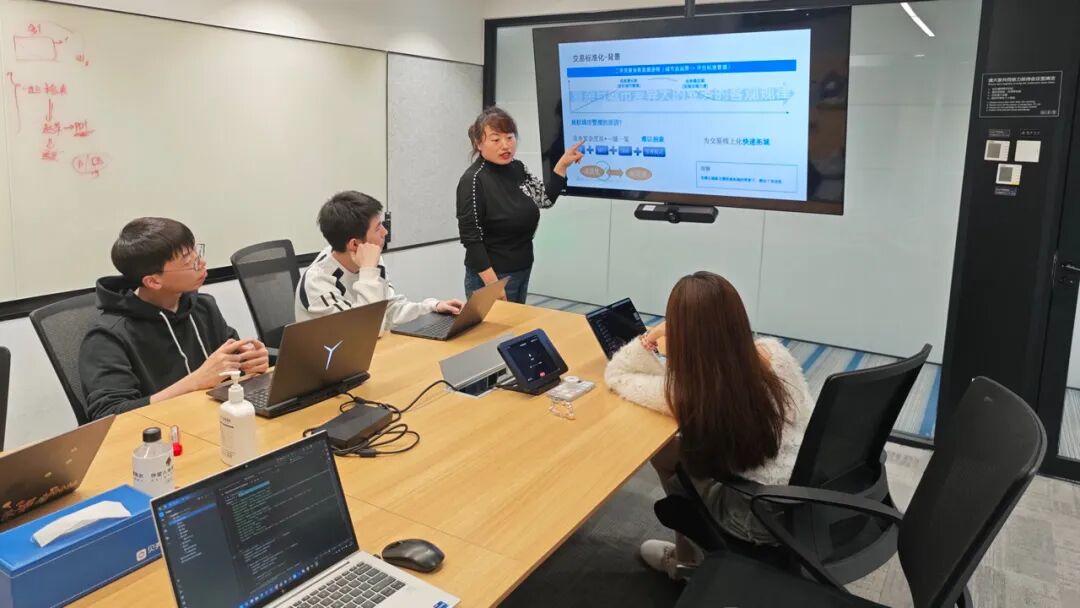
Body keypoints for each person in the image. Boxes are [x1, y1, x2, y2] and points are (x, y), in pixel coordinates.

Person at [603, 271, 814, 579]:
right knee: (675, 451)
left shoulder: (689, 392)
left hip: (756, 516)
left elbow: (617, 374)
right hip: (808, 491)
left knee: (664, 455)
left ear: (683, 334)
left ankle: (686, 563)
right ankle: (686, 559)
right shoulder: (774, 353)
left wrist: (652, 335)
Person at [80, 218, 270, 420]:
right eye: (188, 262)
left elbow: (233, 364)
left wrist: (250, 362)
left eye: (197, 252)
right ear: (153, 281)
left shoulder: (203, 307)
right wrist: (195, 381)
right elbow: (108, 415)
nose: (201, 263)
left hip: (215, 420)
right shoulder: (108, 335)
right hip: (161, 432)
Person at [456, 106, 584, 303]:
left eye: (510, 137)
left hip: (522, 269)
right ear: (478, 143)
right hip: (491, 277)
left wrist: (563, 165)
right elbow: (471, 239)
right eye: (496, 140)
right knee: (494, 325)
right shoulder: (473, 180)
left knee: (517, 324)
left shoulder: (517, 168)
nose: (505, 145)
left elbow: (544, 199)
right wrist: (493, 285)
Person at [296, 191, 464, 333]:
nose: (385, 232)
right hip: (333, 359)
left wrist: (432, 307)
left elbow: (387, 310)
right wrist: (368, 271)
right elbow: (366, 332)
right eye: (378, 228)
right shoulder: (317, 284)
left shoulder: (370, 258)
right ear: (354, 244)